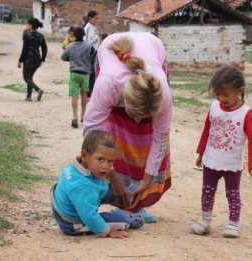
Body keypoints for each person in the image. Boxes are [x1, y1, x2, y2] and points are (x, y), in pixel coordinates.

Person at [83, 32, 172, 222]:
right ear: (123, 102)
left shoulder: (162, 91)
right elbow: (92, 133)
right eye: (135, 115)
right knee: (115, 134)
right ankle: (123, 201)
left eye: (146, 116)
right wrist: (112, 176)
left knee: (144, 139)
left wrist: (147, 179)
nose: (139, 122)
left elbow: (161, 137)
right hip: (111, 52)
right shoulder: (108, 84)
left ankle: (138, 202)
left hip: (152, 46)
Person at [190, 66, 252, 238]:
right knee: (207, 190)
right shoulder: (214, 107)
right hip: (211, 160)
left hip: (231, 164)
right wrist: (201, 152)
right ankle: (205, 221)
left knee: (233, 194)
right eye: (218, 94)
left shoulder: (247, 114)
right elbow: (207, 129)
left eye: (226, 95)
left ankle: (233, 224)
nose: (221, 98)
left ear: (240, 91)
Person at [50, 129, 145, 237]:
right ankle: (132, 217)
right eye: (101, 159)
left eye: (110, 161)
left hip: (75, 205)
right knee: (123, 219)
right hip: (74, 223)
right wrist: (109, 232)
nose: (106, 166)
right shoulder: (82, 187)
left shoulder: (75, 167)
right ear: (84, 156)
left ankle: (129, 202)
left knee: (122, 190)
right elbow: (89, 217)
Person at [61, 27, 95, 129]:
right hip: (85, 74)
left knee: (74, 96)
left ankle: (74, 116)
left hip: (74, 73)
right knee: (84, 94)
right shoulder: (89, 46)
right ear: (84, 35)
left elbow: (63, 57)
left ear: (74, 35)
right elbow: (95, 56)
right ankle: (83, 115)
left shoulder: (70, 46)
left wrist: (71, 59)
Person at [17, 18, 46, 102]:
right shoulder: (41, 36)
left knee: (26, 78)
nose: (27, 25)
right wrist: (42, 59)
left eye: (28, 24)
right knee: (30, 78)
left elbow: (25, 49)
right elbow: (45, 48)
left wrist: (20, 61)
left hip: (28, 59)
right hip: (37, 59)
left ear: (31, 25)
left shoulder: (27, 35)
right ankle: (28, 96)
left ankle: (38, 90)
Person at [84, 10, 100, 98]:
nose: (96, 21)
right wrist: (97, 36)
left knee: (94, 72)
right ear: (90, 18)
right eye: (95, 19)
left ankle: (92, 92)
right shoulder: (88, 28)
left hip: (95, 52)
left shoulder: (93, 27)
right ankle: (89, 93)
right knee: (91, 73)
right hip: (91, 52)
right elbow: (88, 41)